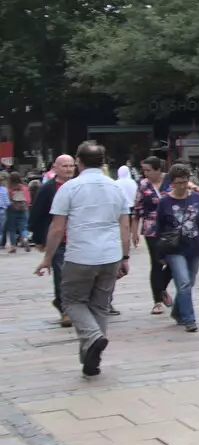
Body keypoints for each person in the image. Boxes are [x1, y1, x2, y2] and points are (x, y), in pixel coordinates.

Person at [35, 142, 131, 377]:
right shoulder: (116, 187)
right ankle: (91, 359)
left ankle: (94, 338)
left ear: (79, 162)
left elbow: (57, 228)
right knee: (99, 305)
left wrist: (47, 258)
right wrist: (125, 256)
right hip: (110, 255)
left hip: (80, 254)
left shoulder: (70, 188)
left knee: (72, 302)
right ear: (103, 161)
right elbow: (125, 225)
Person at [153, 164, 199, 332]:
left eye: (185, 182)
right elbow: (159, 228)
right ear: (172, 182)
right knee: (183, 282)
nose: (183, 186)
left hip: (194, 248)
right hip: (174, 249)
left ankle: (178, 312)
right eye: (179, 182)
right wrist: (160, 253)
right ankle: (189, 319)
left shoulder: (197, 198)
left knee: (189, 282)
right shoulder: (165, 202)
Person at [31, 155, 75, 326]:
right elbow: (37, 214)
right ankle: (65, 309)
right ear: (55, 168)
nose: (68, 169)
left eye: (71, 165)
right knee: (62, 275)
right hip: (59, 240)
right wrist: (38, 239)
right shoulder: (48, 188)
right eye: (64, 166)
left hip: (79, 238)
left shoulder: (78, 185)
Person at [132, 157, 172, 313]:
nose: (145, 173)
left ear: (157, 169)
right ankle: (157, 301)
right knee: (156, 262)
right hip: (151, 228)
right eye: (144, 170)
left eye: (148, 170)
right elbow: (137, 208)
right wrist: (134, 231)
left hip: (171, 228)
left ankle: (161, 288)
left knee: (173, 262)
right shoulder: (143, 185)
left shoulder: (170, 180)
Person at [2, 172, 28, 252]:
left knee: (12, 229)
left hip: (11, 210)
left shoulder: (9, 189)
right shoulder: (24, 188)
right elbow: (28, 199)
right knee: (23, 228)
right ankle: (25, 239)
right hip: (23, 210)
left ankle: (13, 247)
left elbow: (7, 200)